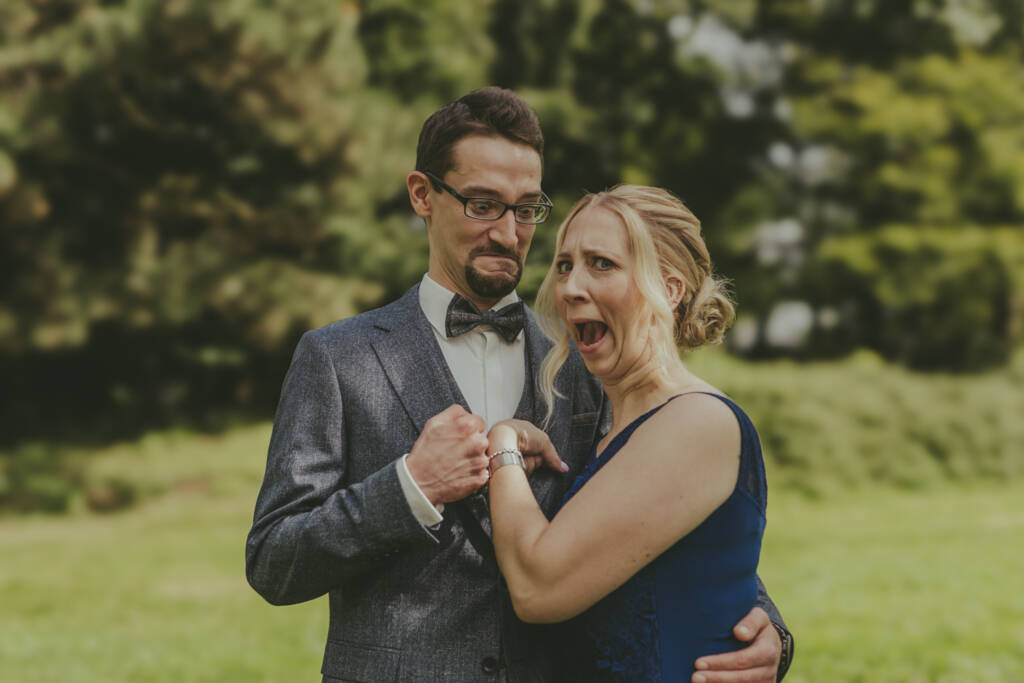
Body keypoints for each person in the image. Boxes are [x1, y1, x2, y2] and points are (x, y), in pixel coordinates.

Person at [246, 87, 793, 682]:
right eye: (482, 204)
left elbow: (657, 507)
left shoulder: (588, 362)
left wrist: (766, 628)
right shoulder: (338, 357)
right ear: (422, 196)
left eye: (526, 208)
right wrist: (409, 487)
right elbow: (275, 560)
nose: (508, 233)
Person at [485, 184, 777, 681]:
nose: (572, 287)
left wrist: (502, 447)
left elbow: (538, 587)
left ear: (670, 289)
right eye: (564, 265)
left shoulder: (696, 423)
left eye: (602, 263)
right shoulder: (611, 430)